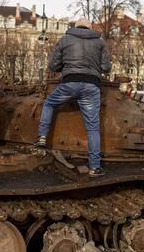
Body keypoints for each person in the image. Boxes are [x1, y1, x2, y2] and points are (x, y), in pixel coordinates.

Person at [35, 17, 111, 177]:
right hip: (91, 86)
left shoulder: (65, 40)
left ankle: (42, 138)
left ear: (75, 26)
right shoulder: (100, 42)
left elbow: (53, 66)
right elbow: (106, 67)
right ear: (89, 28)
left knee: (48, 103)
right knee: (92, 127)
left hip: (69, 84)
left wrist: (67, 65)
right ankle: (94, 167)